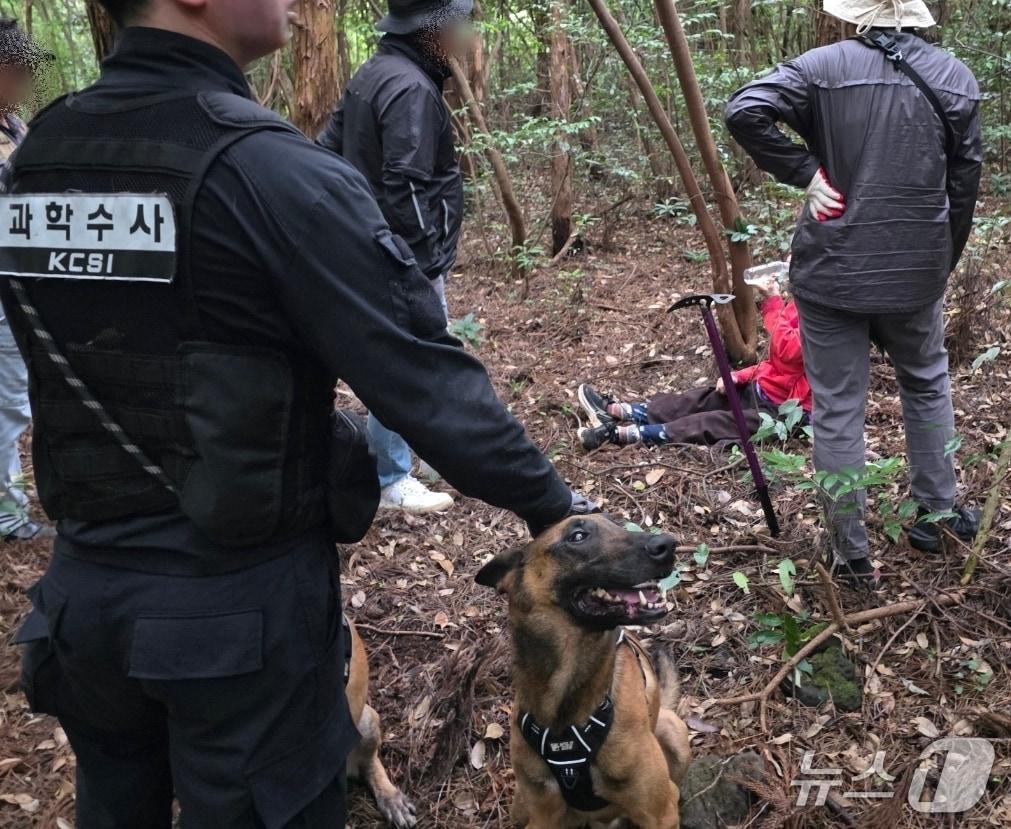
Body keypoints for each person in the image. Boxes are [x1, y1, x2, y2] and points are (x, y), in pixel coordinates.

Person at [1, 1, 591, 826]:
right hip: (236, 622)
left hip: (81, 609)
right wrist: (558, 512)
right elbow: (423, 379)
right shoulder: (270, 173)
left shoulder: (40, 156)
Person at [725, 0, 982, 582]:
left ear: (857, 15)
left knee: (838, 405)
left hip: (833, 269)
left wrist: (804, 173)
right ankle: (937, 516)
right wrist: (940, 262)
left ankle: (851, 554)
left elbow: (745, 109)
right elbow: (964, 185)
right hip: (913, 272)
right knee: (926, 383)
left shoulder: (821, 66)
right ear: (915, 16)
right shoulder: (955, 78)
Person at [318, 0, 472, 515]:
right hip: (402, 256)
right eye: (455, 22)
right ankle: (391, 477)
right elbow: (406, 184)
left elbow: (326, 150)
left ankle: (414, 451)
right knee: (408, 359)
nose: (463, 33)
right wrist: (420, 261)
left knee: (424, 355)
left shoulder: (375, 72)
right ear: (430, 30)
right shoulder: (408, 86)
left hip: (374, 246)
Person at [577, 274, 810, 450]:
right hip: (765, 390)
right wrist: (741, 375)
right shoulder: (801, 305)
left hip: (791, 412)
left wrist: (772, 302)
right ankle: (620, 411)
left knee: (712, 422)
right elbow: (782, 364)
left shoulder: (829, 320)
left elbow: (790, 349)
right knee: (704, 398)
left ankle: (623, 435)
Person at [0, 16, 51, 541]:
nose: (22, 83)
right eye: (15, 71)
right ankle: (7, 514)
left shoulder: (15, 127)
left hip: (21, 281)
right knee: (8, 401)